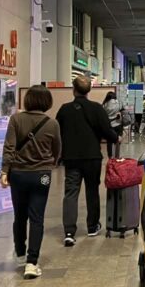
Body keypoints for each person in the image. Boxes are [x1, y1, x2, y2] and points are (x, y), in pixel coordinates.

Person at [0, 86, 61, 280]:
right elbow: (57, 150)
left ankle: (19, 253)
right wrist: (49, 163)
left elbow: (9, 147)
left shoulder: (16, 120)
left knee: (20, 215)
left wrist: (4, 171)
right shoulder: (52, 123)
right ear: (47, 102)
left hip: (18, 173)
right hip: (41, 174)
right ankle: (32, 262)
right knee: (37, 218)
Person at [56, 76, 117, 246]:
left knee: (70, 193)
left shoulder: (64, 110)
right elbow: (107, 131)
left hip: (71, 158)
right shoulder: (96, 109)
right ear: (89, 90)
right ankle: (92, 226)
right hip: (92, 157)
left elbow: (57, 132)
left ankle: (69, 231)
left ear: (73, 90)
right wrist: (115, 137)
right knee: (92, 191)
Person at [102, 91, 123, 159]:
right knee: (117, 141)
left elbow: (103, 114)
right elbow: (122, 109)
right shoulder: (118, 102)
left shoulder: (105, 104)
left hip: (109, 125)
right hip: (118, 124)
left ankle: (110, 156)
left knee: (109, 142)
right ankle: (117, 156)